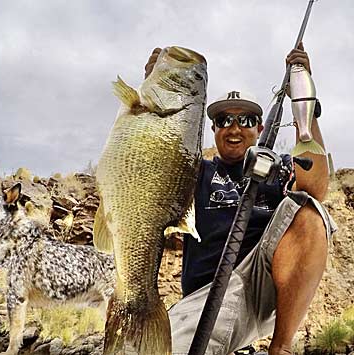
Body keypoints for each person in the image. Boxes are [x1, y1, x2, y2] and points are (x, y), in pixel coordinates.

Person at [144, 43, 337, 355]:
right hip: (203, 298)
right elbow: (157, 167)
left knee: (308, 209)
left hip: (260, 282)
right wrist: (156, 93)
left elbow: (317, 188)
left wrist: (306, 100)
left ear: (260, 128)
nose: (234, 128)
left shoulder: (283, 166)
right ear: (214, 129)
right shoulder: (195, 172)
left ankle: (281, 347)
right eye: (224, 121)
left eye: (245, 120)